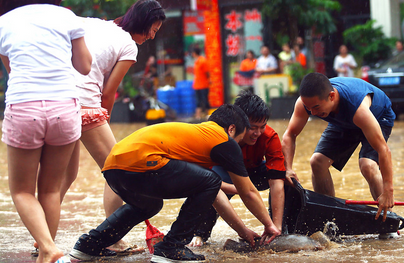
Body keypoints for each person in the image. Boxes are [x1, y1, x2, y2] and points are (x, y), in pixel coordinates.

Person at [69, 104, 281, 262]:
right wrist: (270, 226)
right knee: (210, 181)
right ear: (232, 129)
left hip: (114, 168)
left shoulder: (194, 137)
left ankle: (89, 245)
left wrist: (243, 232)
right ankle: (172, 247)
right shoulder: (222, 139)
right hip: (142, 163)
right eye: (239, 140)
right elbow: (249, 192)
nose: (238, 146)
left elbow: (214, 191)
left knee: (150, 205)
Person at [61, 0, 166, 254]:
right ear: (141, 22)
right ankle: (113, 238)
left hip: (58, 100)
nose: (152, 36)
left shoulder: (94, 24)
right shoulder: (129, 45)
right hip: (85, 103)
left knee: (63, 176)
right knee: (117, 167)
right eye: (152, 29)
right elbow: (108, 92)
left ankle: (41, 239)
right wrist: (103, 118)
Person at [0, 1, 92, 263]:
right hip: (64, 106)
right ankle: (46, 252)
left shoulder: (4, 22)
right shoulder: (67, 16)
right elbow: (84, 66)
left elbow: (11, 70)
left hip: (24, 106)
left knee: (21, 191)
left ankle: (48, 248)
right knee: (50, 190)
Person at [281, 73, 395, 225]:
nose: (313, 114)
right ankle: (328, 218)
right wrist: (287, 168)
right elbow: (289, 134)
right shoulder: (306, 104)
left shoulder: (358, 109)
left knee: (367, 165)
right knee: (317, 162)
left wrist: (388, 190)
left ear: (332, 96)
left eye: (316, 107)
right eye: (309, 109)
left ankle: (388, 221)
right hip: (344, 122)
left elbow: (384, 150)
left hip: (378, 117)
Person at [189, 91, 286, 247]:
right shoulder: (220, 135)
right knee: (208, 189)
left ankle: (280, 230)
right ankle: (200, 233)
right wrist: (238, 189)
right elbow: (203, 179)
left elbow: (276, 182)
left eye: (262, 127)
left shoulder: (269, 136)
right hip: (224, 173)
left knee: (286, 179)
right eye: (253, 128)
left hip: (253, 170)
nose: (257, 133)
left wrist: (276, 225)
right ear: (238, 123)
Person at [191, 47, 210, 121]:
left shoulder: (203, 61)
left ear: (195, 53)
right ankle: (198, 115)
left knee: (204, 100)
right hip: (197, 85)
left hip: (203, 84)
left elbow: (207, 72)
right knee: (198, 100)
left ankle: (208, 114)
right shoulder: (196, 61)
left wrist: (207, 79)